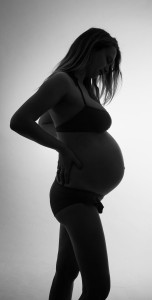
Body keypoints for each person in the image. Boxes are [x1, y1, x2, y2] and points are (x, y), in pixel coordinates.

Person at [10, 27, 125, 300]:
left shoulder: (86, 88)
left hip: (85, 195)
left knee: (66, 273)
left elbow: (46, 123)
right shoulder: (62, 81)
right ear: (90, 49)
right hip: (73, 196)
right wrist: (61, 147)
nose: (109, 67)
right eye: (107, 59)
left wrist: (65, 142)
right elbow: (20, 121)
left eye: (113, 63)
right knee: (98, 288)